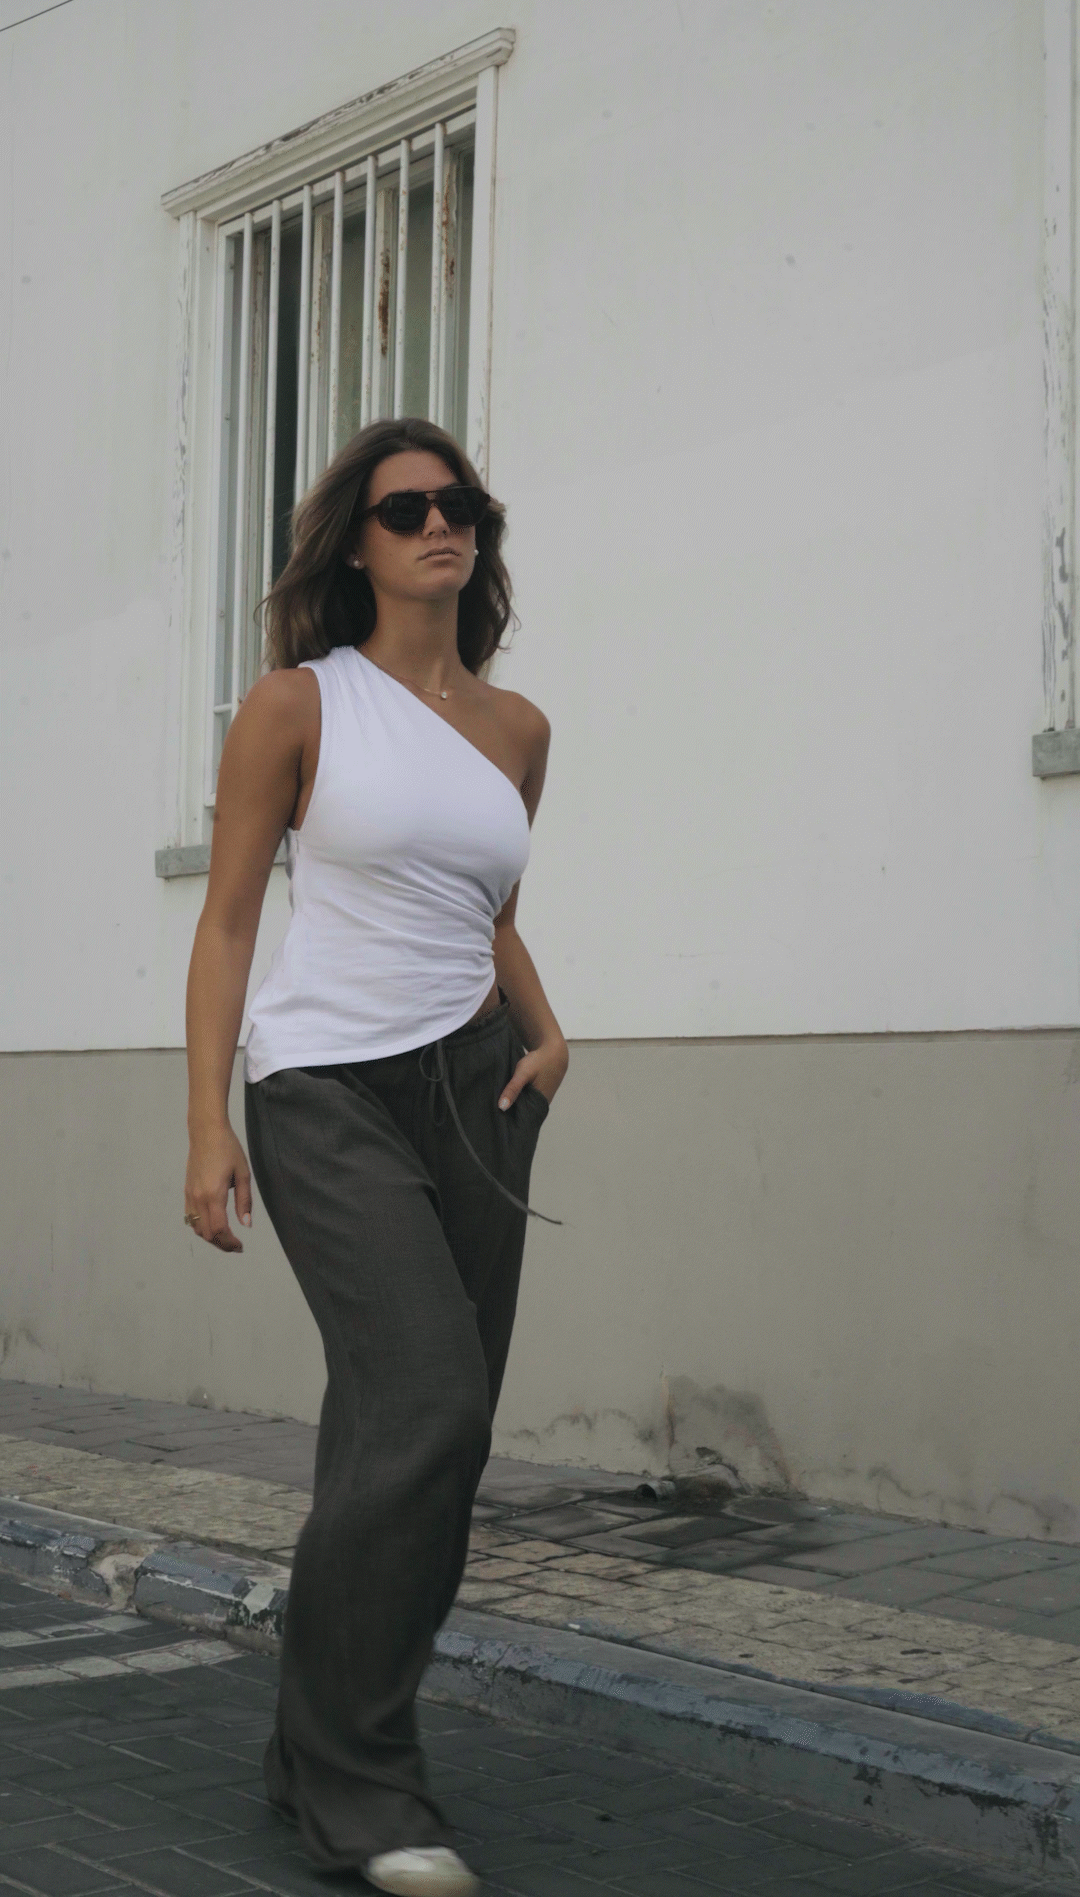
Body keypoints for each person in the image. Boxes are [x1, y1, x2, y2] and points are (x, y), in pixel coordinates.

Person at [182, 417, 568, 1897]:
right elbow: (226, 921)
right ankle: (365, 1785)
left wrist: (546, 1028)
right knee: (431, 1406)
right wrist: (209, 1117)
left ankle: (313, 1750)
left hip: (476, 1093)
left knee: (400, 1446)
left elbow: (485, 904)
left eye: (461, 504)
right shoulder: (296, 705)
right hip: (324, 1084)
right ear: (358, 541)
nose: (439, 525)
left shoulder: (517, 730)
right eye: (407, 507)